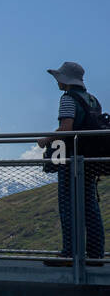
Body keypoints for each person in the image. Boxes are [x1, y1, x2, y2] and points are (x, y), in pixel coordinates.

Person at [37, 61, 105, 260]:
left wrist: (46, 140)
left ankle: (70, 253)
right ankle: (95, 254)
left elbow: (67, 128)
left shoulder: (67, 98)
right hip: (90, 159)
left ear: (64, 80)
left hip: (71, 158)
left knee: (68, 204)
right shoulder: (92, 100)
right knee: (90, 206)